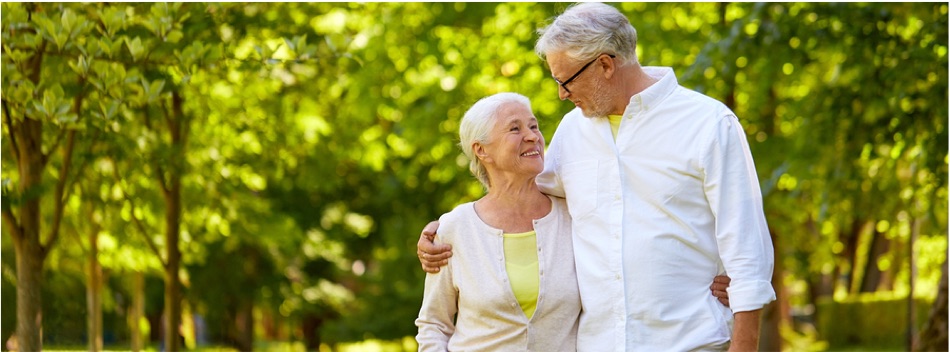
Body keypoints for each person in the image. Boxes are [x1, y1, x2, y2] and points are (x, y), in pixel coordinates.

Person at [418, 3, 775, 351]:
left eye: (566, 81)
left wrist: (744, 334)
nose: (561, 94)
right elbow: (522, 196)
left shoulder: (708, 124)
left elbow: (746, 248)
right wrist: (447, 232)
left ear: (605, 64)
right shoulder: (573, 130)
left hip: (690, 342)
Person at [415, 92, 581, 351]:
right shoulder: (456, 228)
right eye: (515, 128)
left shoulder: (573, 215)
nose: (532, 136)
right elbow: (433, 324)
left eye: (534, 126)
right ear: (481, 150)